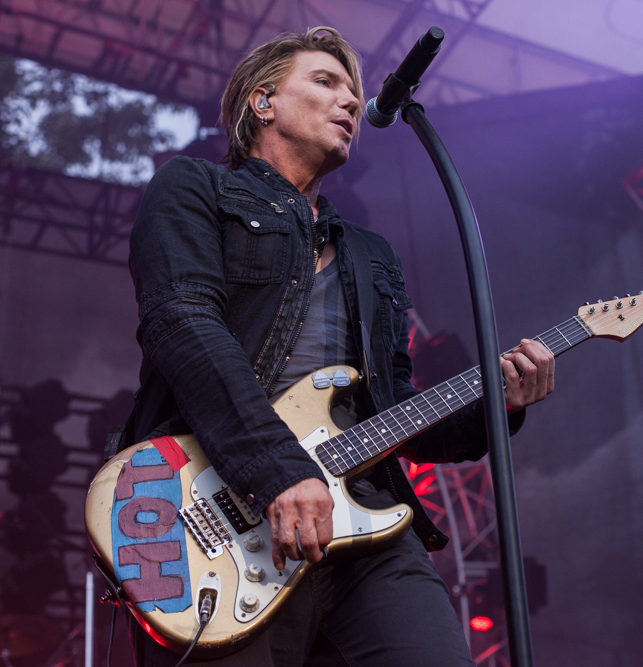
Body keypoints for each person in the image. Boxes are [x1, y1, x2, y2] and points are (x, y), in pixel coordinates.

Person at [125, 26, 555, 666]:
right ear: (262, 102)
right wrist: (279, 471)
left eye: (355, 92)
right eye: (325, 82)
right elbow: (182, 323)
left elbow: (397, 410)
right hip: (216, 514)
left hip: (365, 525)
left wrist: (502, 402)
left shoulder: (370, 254)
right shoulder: (193, 189)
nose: (350, 102)